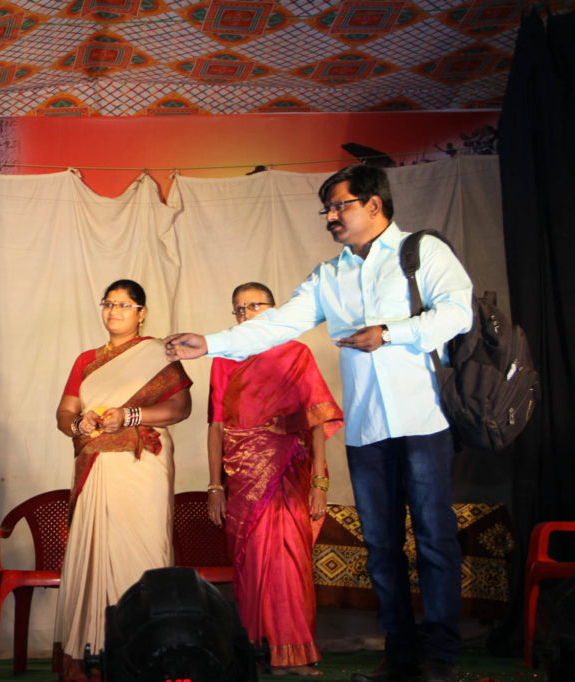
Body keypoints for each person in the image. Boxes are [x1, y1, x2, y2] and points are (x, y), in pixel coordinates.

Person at [165, 164, 472, 682]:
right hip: (367, 430)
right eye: (326, 209)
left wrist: (389, 333)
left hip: (423, 420)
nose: (330, 216)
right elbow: (277, 324)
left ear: (373, 205)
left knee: (434, 538)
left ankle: (440, 656)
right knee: (381, 546)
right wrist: (211, 343)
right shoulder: (330, 276)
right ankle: (399, 656)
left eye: (339, 206)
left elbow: (458, 313)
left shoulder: (421, 252)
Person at [53, 279, 193, 681]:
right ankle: (93, 652)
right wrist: (79, 423)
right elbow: (65, 413)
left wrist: (130, 416)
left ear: (141, 313)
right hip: (96, 464)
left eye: (124, 305)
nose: (114, 311)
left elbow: (180, 407)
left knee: (142, 548)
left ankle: (147, 654)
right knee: (95, 550)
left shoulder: (158, 354)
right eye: (108, 303)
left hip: (141, 464)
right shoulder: (86, 360)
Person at [207, 282, 343, 676]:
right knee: (251, 564)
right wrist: (215, 486)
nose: (246, 314)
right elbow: (216, 426)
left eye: (255, 305)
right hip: (243, 479)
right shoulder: (224, 359)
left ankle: (295, 653)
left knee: (290, 560)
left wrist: (319, 483)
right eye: (239, 309)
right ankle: (257, 651)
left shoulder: (296, 355)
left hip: (289, 474)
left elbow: (316, 421)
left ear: (274, 308)